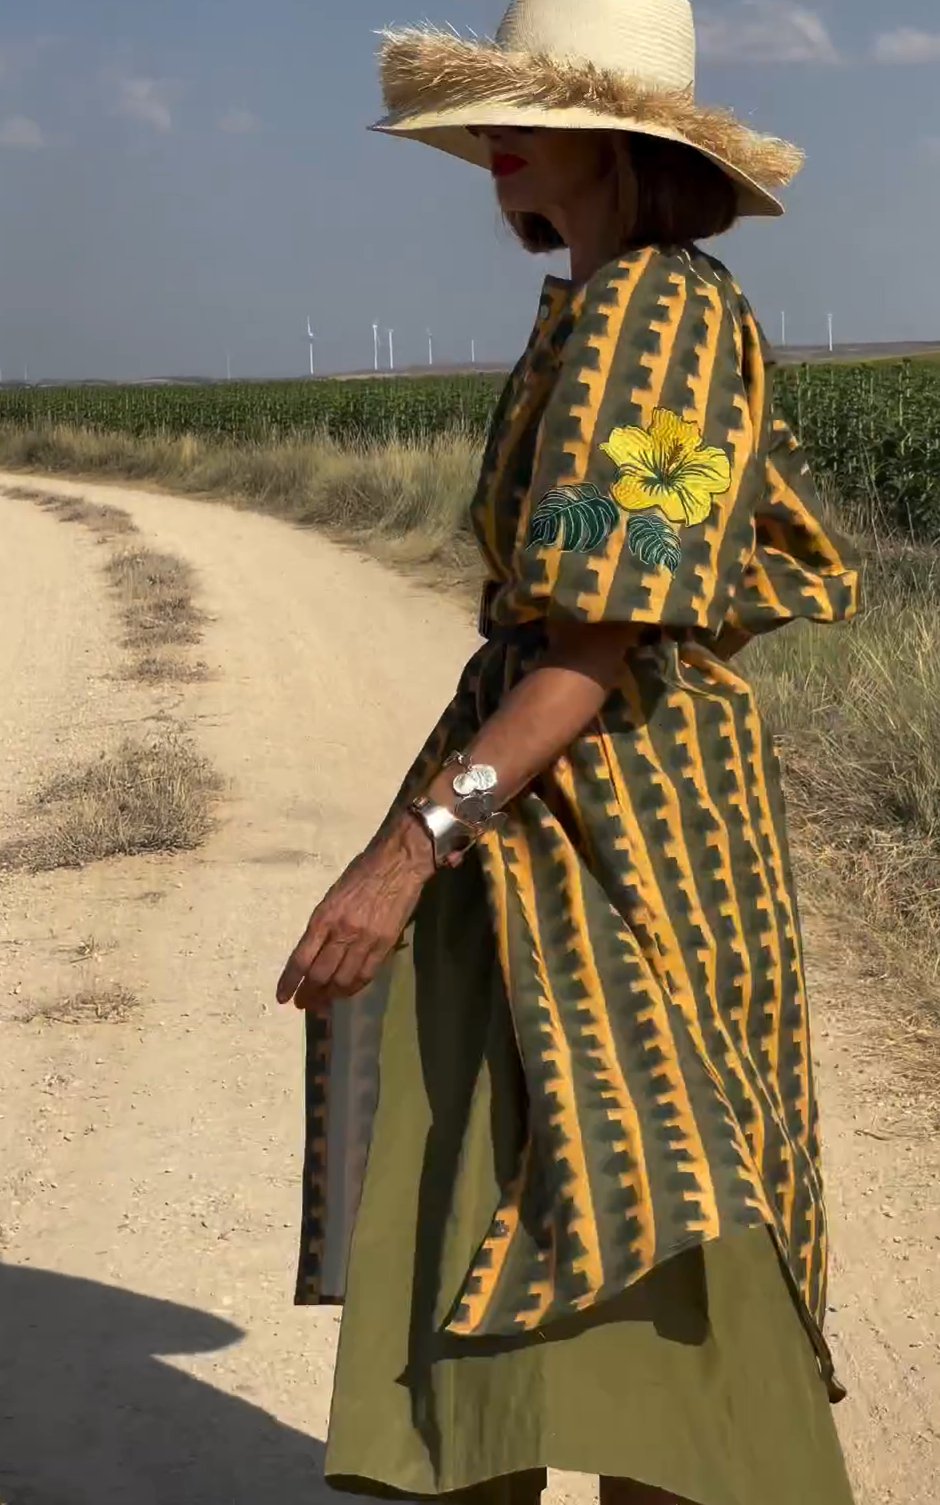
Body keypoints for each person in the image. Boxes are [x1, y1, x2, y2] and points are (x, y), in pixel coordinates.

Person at [277, 2, 860, 1501]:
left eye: (534, 111)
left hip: (619, 842)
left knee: (640, 1219)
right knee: (578, 1209)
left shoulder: (651, 313)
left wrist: (404, 851)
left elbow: (594, 648)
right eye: (490, 113)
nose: (496, 143)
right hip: (592, 828)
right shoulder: (623, 303)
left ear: (628, 144)